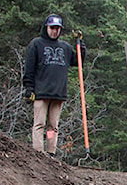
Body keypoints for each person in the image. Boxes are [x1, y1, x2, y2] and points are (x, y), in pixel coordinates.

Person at [23, 14, 85, 156]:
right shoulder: (36, 44)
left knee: (53, 127)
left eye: (57, 28)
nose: (55, 31)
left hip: (58, 93)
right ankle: (38, 153)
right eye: (52, 28)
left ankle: (50, 152)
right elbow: (29, 68)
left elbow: (79, 60)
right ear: (46, 27)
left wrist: (80, 43)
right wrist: (29, 88)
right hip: (40, 92)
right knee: (39, 124)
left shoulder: (65, 47)